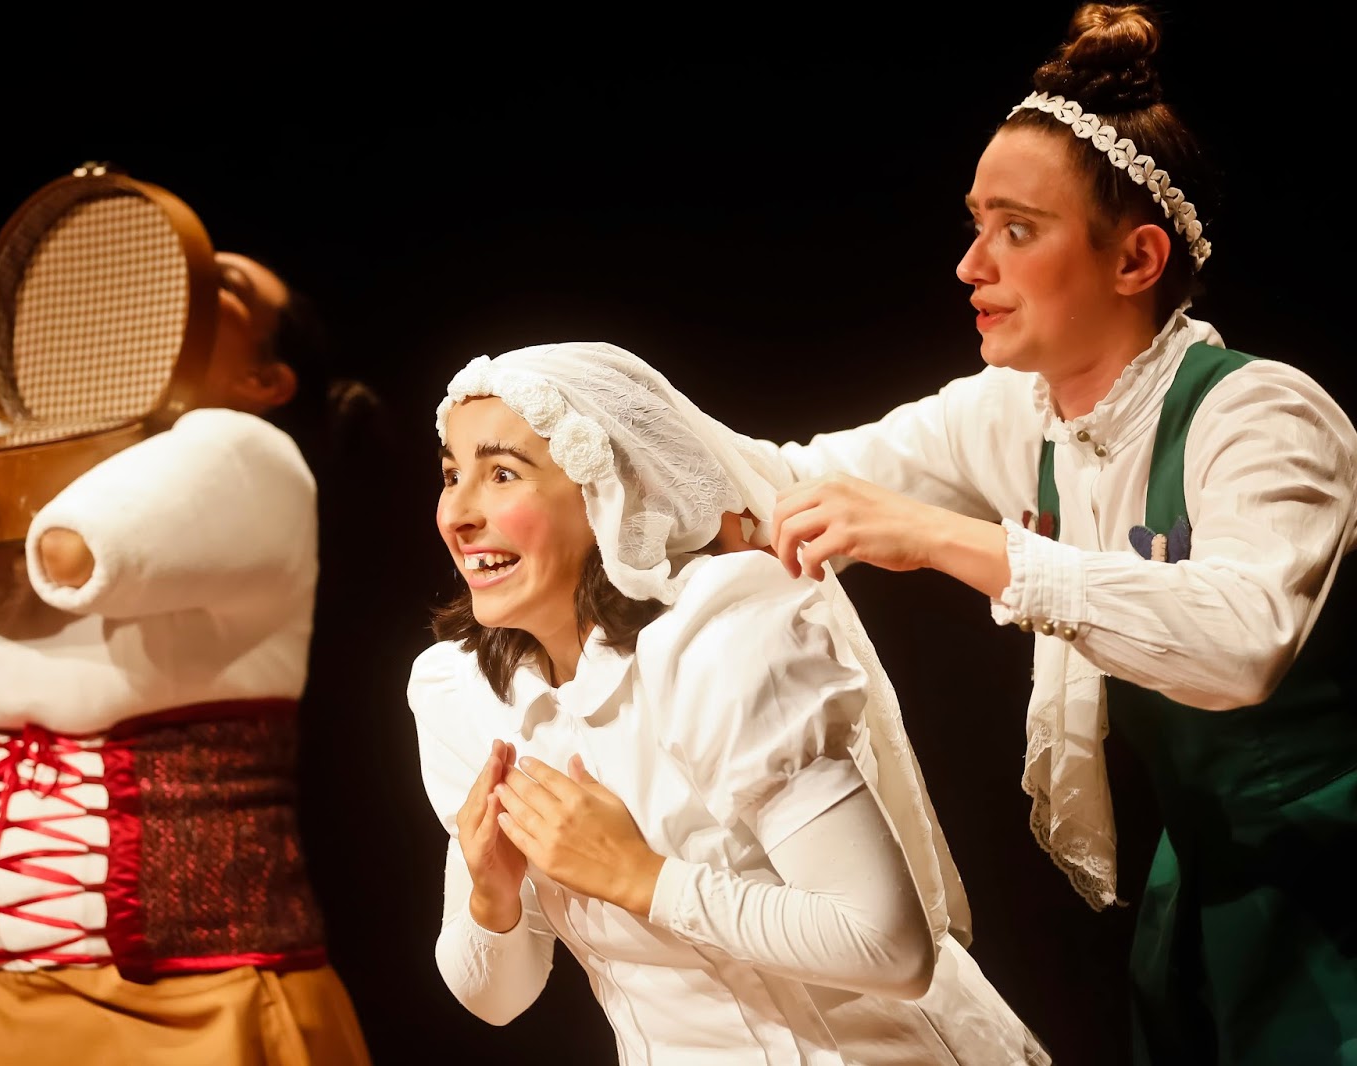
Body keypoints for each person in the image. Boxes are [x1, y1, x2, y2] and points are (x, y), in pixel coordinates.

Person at [727, 5, 1356, 1064]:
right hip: (1204, 883)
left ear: (1136, 259)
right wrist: (570, 422)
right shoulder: (1016, 414)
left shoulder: (1259, 414)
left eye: (1017, 230)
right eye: (976, 224)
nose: (971, 265)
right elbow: (784, 476)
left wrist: (948, 540)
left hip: (1333, 883)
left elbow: (1240, 640)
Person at [0, 249, 376, 1066]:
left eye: (224, 285)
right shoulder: (26, 465)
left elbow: (80, 547)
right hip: (6, 1001)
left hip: (195, 1007)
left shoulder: (252, 458)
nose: (176, 278)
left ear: (264, 381)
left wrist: (12, 454)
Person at [408, 340, 1050, 1064]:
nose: (458, 514)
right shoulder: (463, 693)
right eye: (452, 475)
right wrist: (490, 896)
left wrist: (640, 877)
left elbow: (891, 947)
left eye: (502, 474)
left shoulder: (716, 645)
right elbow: (497, 1000)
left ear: (606, 490)